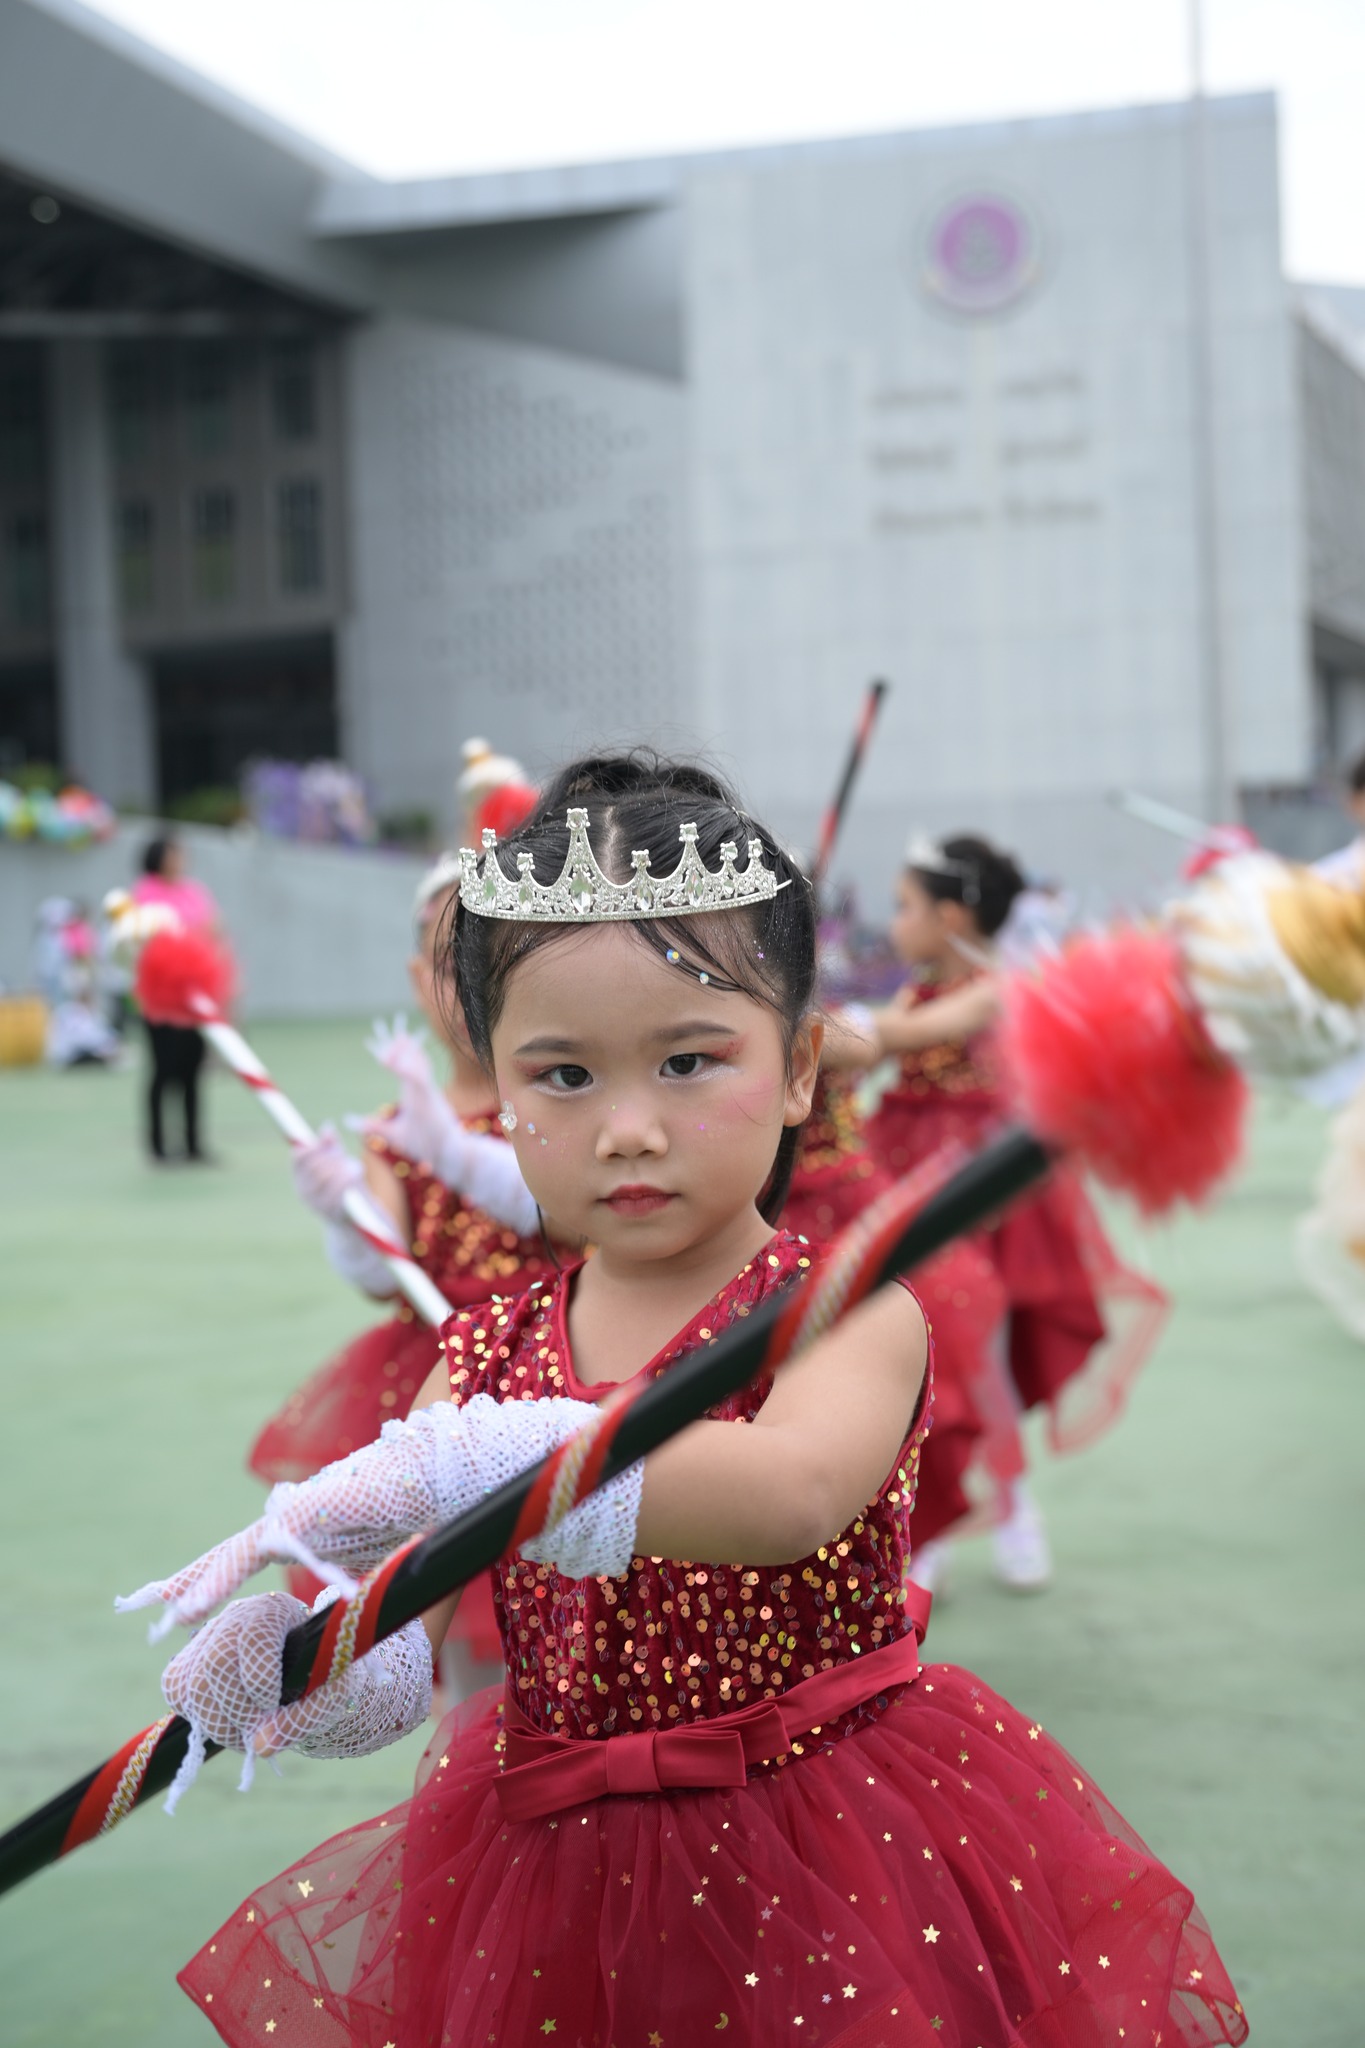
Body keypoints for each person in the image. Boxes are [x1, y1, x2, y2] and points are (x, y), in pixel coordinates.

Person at [137, 752, 1243, 2048]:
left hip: (832, 1865)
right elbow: (405, 1652)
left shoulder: (845, 1313)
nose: (627, 1128)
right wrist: (303, 1663)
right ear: (497, 1087)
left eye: (687, 1061)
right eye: (562, 1076)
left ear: (799, 1068)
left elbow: (785, 1495)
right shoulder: (480, 1355)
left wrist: (471, 1463)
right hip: (552, 1884)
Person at [250, 851, 564, 1683]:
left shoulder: (561, 1096)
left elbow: (567, 1213)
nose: (469, 988)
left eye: (493, 960)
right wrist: (342, 1210)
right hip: (440, 1382)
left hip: (554, 1363)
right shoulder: (396, 1127)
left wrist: (454, 1151)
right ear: (417, 979)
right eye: (449, 965)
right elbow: (381, 1271)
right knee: (457, 1632)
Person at [851, 835, 1168, 1592]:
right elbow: (888, 1040)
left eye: (905, 907)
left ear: (951, 915)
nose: (894, 923)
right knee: (915, 1359)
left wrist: (830, 1026)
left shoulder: (996, 988)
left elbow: (909, 1036)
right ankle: (929, 1519)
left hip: (983, 1193)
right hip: (904, 1180)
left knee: (980, 1360)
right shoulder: (915, 990)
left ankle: (1012, 1507)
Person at [130, 835, 220, 1162]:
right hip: (161, 999)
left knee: (192, 1070)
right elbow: (139, 940)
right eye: (173, 853)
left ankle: (193, 1144)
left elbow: (211, 931)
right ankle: (158, 1145)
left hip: (194, 997)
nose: (179, 859)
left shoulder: (194, 892)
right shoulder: (144, 892)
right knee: (163, 1069)